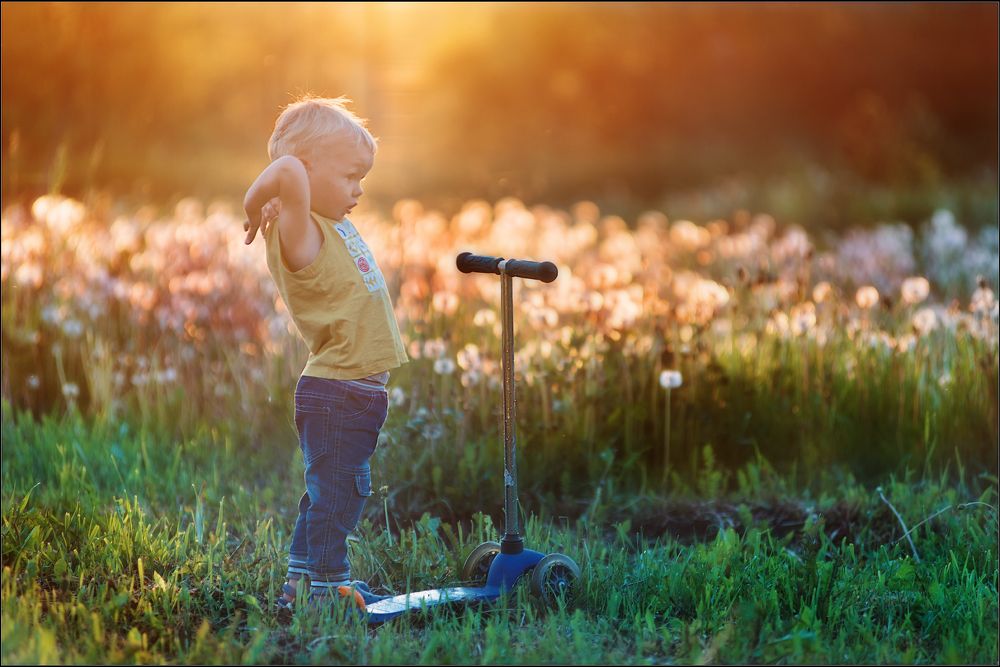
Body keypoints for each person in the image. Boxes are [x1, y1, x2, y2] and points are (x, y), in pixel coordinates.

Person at [242, 95, 408, 619]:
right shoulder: (300, 231)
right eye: (350, 175)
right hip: (339, 391)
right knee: (340, 496)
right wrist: (259, 198)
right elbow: (288, 166)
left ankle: (300, 581)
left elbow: (295, 171)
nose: (359, 188)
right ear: (307, 174)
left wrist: (294, 190)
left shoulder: (324, 221)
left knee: (324, 495)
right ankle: (328, 589)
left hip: (351, 392)